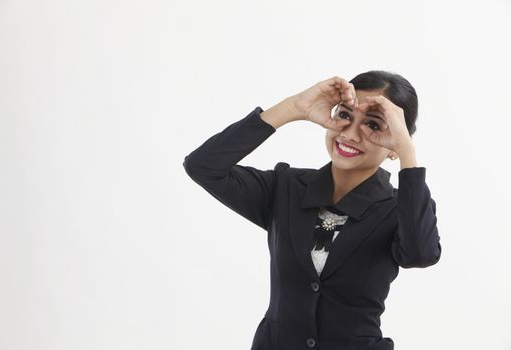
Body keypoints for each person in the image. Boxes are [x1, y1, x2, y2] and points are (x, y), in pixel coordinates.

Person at [182, 70, 442, 350]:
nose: (351, 134)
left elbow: (420, 255)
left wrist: (407, 153)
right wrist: (293, 108)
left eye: (373, 125)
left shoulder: (401, 208)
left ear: (396, 143)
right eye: (345, 116)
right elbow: (203, 166)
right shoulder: (286, 187)